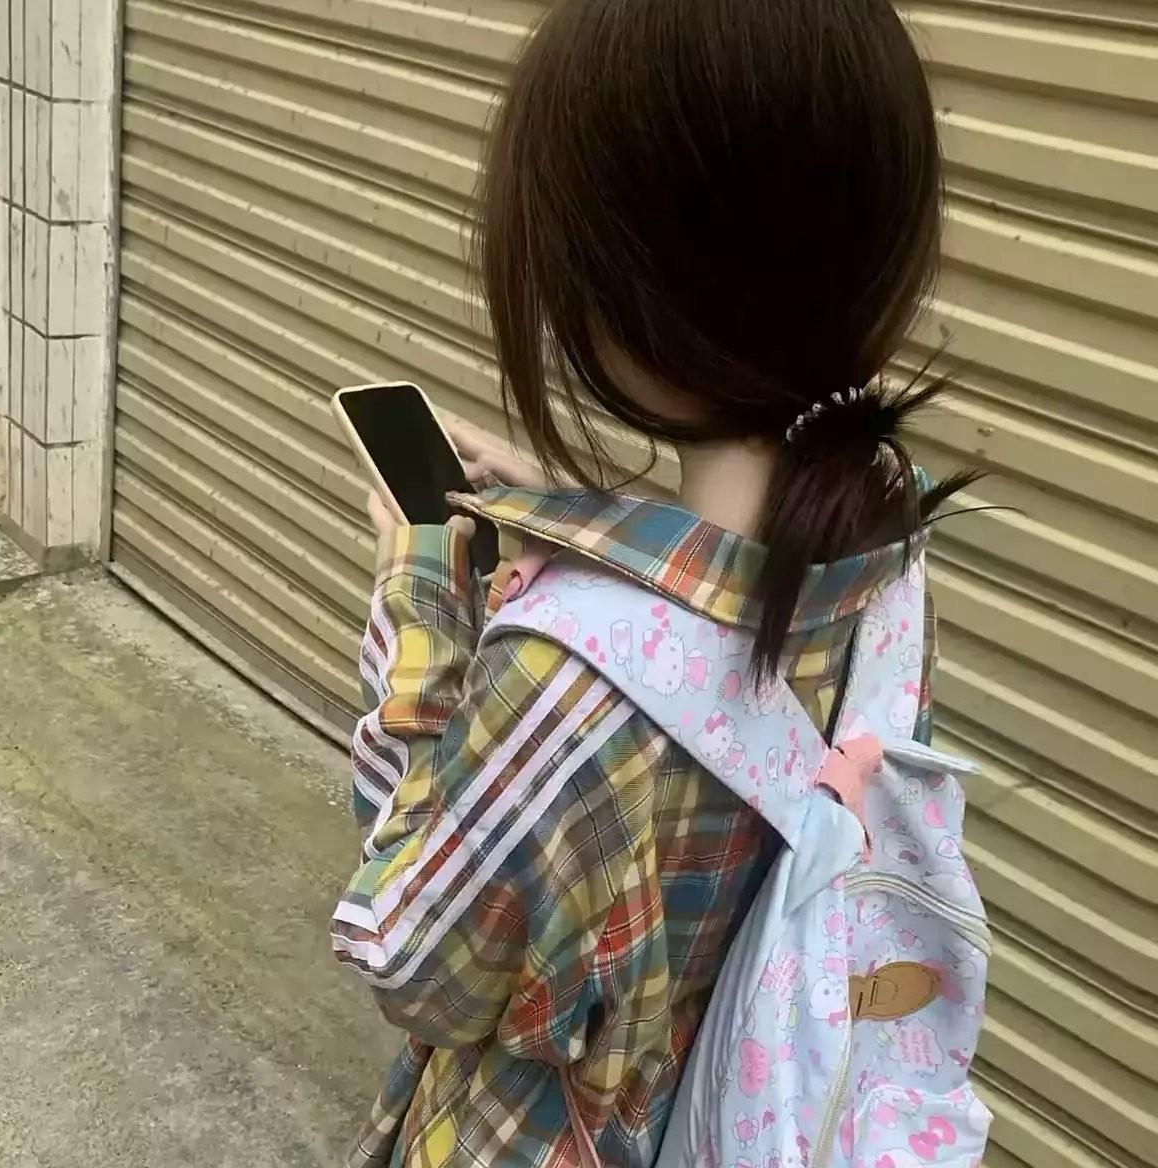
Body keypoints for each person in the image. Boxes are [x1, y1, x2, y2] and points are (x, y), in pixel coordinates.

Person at [330, 2, 975, 1167]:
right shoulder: (887, 545)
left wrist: (420, 611)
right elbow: (719, 651)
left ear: (615, 291)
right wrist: (580, 542)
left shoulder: (565, 678)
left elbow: (413, 956)